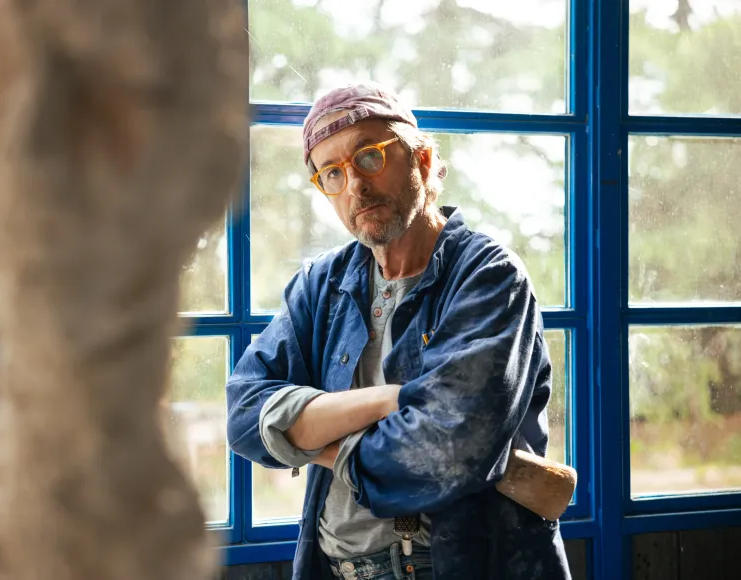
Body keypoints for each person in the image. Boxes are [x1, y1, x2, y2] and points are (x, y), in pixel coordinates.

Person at [226, 82, 570, 580]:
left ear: (423, 161)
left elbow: (447, 451)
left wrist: (309, 439)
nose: (355, 186)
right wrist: (390, 401)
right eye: (332, 173)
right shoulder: (321, 284)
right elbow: (243, 415)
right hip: (335, 568)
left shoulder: (489, 275)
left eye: (369, 157)